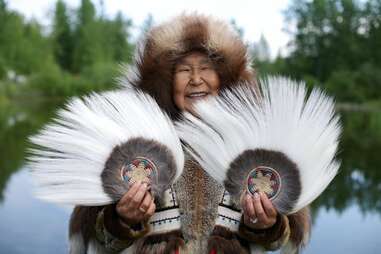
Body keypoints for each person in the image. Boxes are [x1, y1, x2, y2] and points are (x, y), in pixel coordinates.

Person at [69, 14, 311, 254]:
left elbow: (278, 241)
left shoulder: (254, 145)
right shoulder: (130, 144)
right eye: (184, 70)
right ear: (166, 82)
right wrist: (122, 219)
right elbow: (100, 239)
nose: (196, 79)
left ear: (224, 80)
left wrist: (267, 225)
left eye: (206, 69)